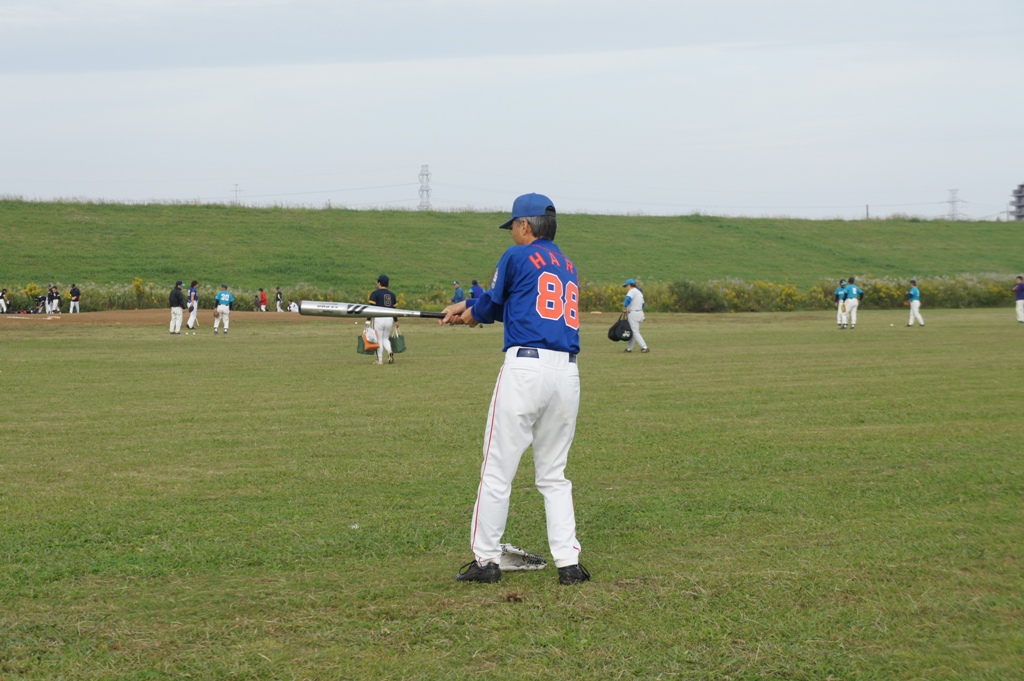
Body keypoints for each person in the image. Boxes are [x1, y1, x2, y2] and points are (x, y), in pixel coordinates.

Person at [442, 192, 588, 586]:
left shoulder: (517, 256)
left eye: (514, 228)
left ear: (526, 225)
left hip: (526, 368)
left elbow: (494, 304)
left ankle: (487, 561)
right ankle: (569, 565)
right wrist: (472, 309)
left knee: (497, 469)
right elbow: (518, 303)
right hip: (567, 374)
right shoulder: (568, 264)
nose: (512, 235)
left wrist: (473, 313)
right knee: (555, 475)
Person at [368, 274, 397, 364]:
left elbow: (371, 308)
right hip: (389, 319)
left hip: (379, 318)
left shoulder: (375, 293)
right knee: (385, 338)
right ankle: (389, 350)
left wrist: (368, 320)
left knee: (379, 339)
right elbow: (394, 309)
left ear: (379, 283)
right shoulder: (392, 295)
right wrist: (396, 321)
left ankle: (379, 360)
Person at [622, 279, 649, 353]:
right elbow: (643, 304)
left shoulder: (632, 291)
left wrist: (624, 307)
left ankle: (644, 347)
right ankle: (629, 348)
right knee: (633, 331)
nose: (626, 288)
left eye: (626, 286)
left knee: (635, 332)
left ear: (630, 285)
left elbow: (628, 299)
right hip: (640, 313)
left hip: (633, 314)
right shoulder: (639, 293)